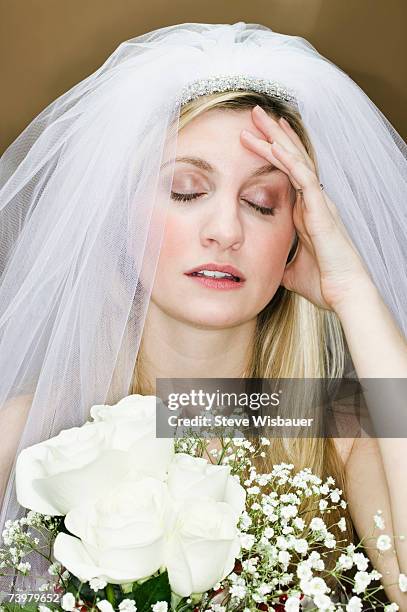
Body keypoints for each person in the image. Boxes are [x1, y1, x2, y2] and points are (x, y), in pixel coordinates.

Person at [0, 22, 406, 605]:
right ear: (120, 216)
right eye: (187, 191)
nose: (225, 231)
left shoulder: (343, 437)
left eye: (261, 202)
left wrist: (354, 292)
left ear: (297, 235)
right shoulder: (33, 431)